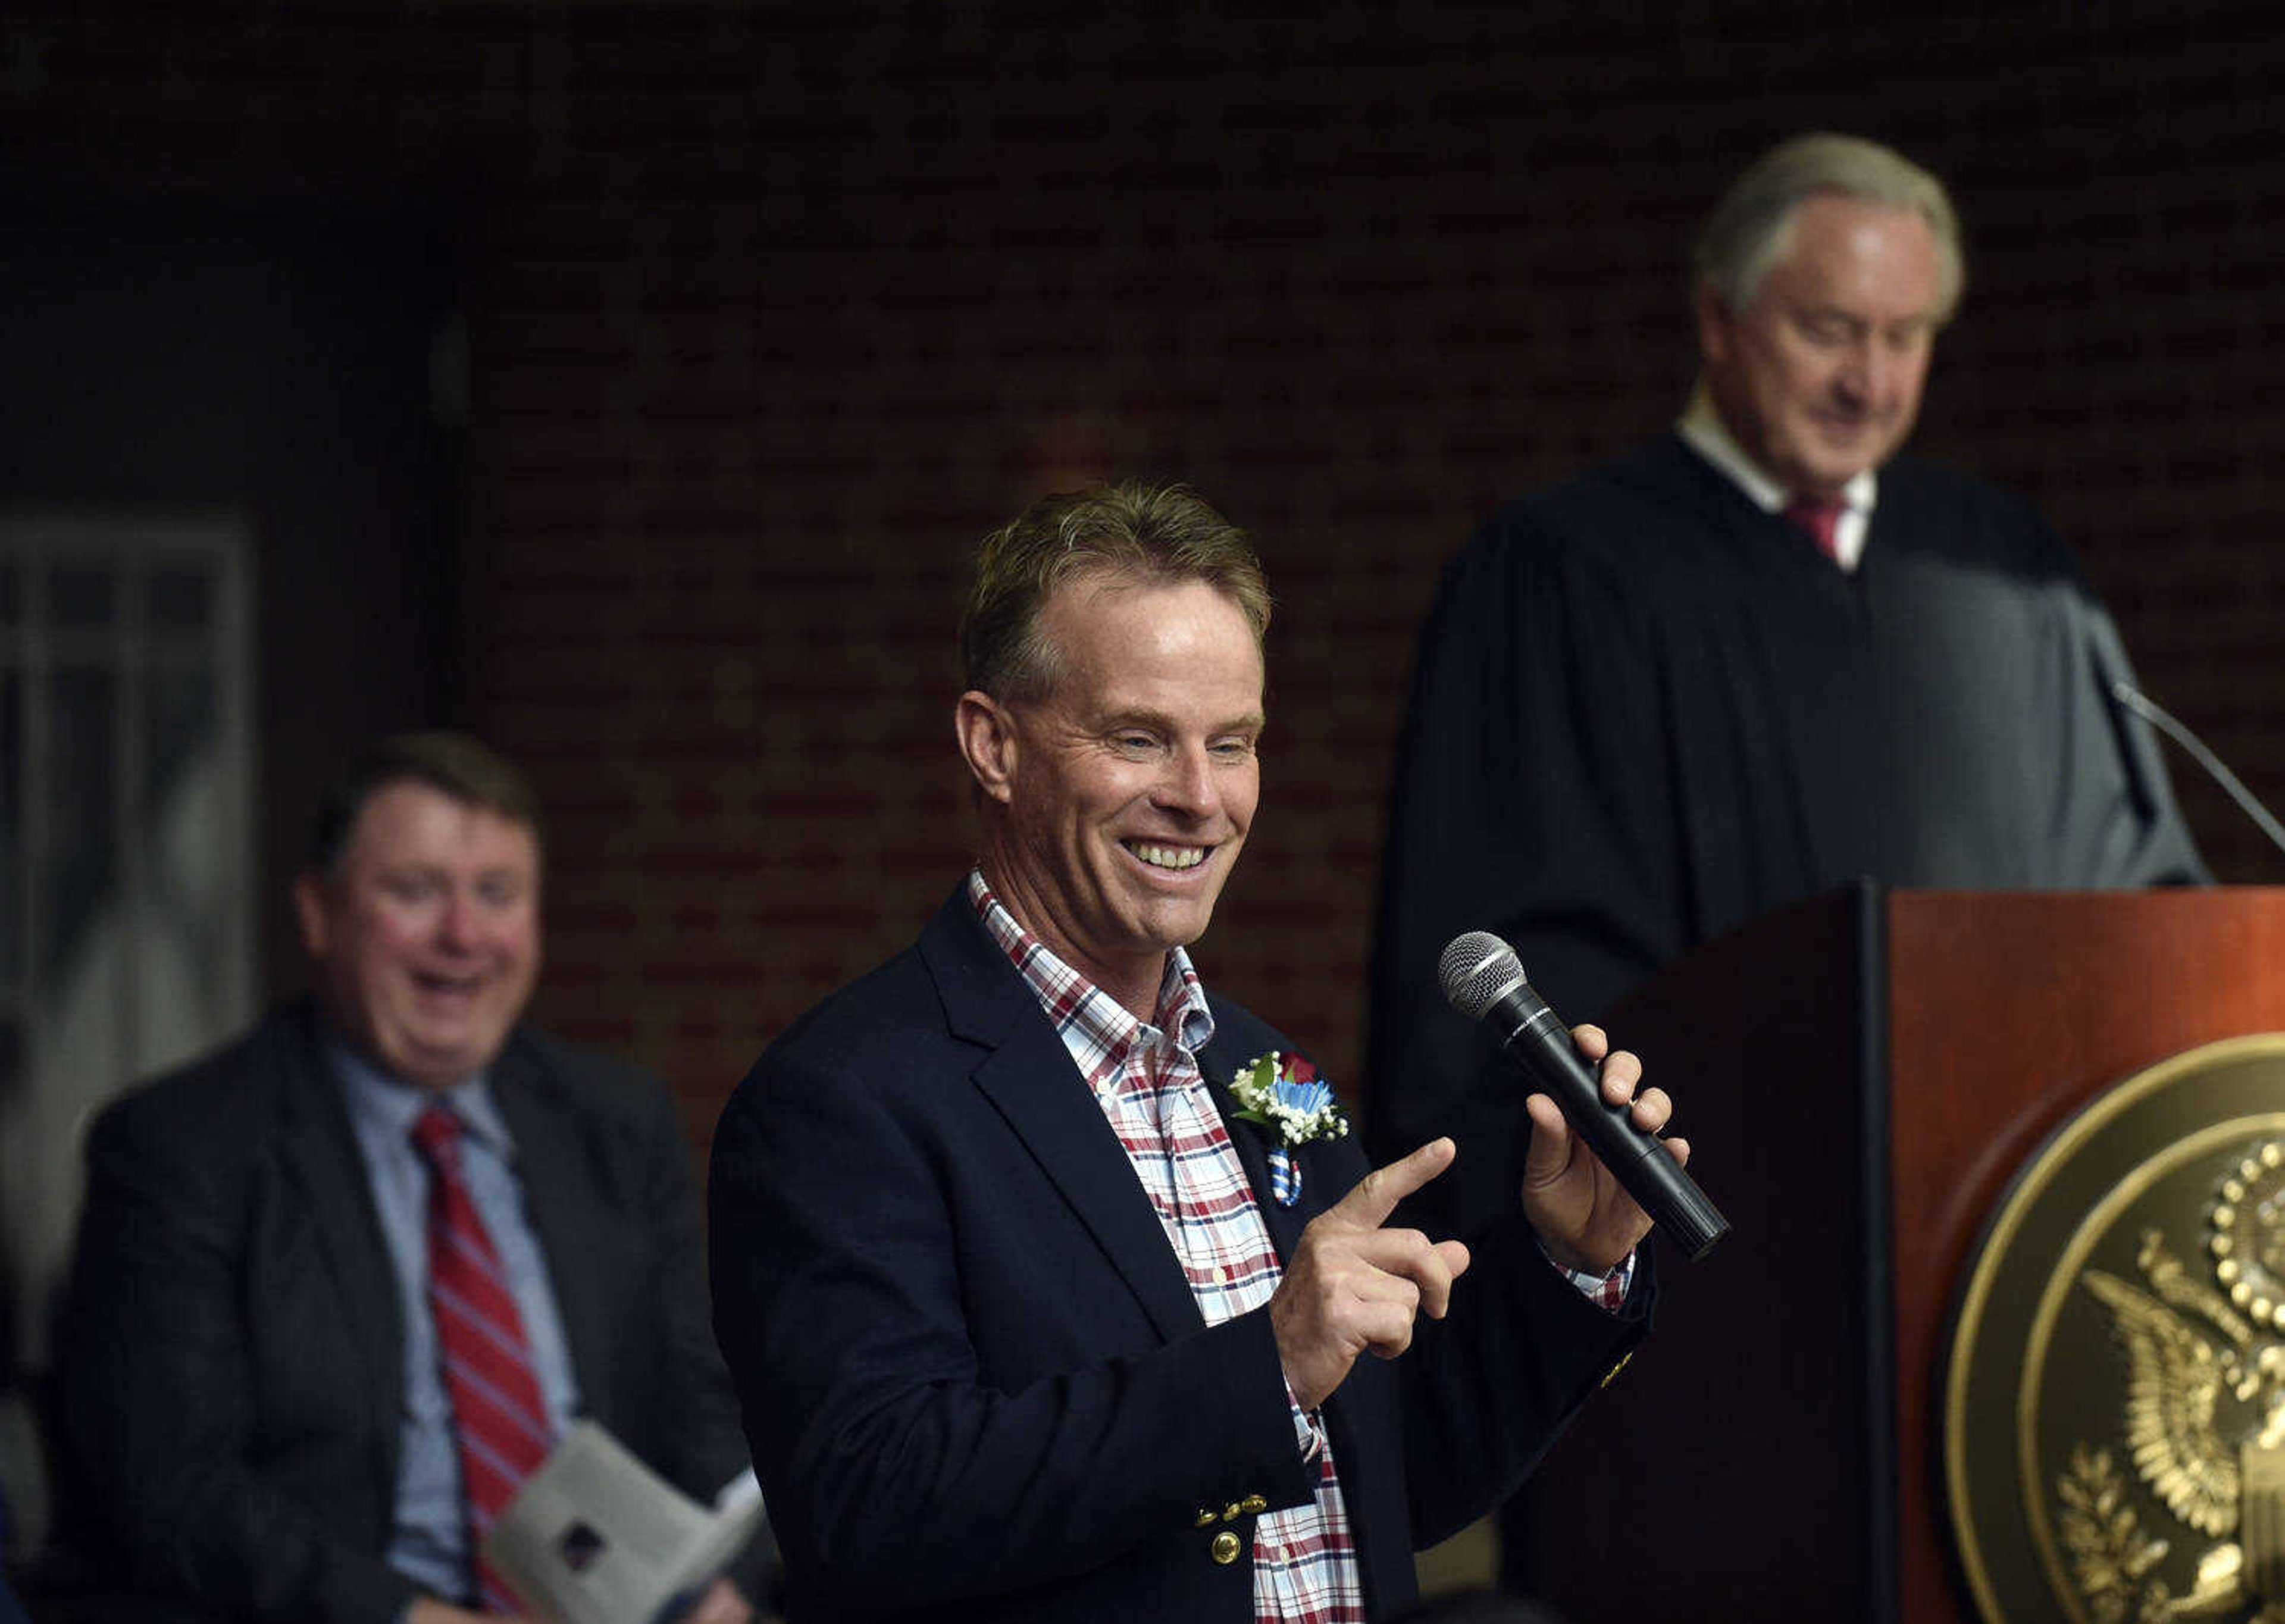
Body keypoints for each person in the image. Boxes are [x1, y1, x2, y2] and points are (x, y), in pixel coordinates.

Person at [708, 481, 1686, 1623]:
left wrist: (1566, 1264)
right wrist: (1264, 1371)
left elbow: (1377, 1483)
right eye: (1138, 739)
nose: (1200, 799)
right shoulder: (843, 1098)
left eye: (1234, 743)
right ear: (992, 746)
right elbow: (868, 1506)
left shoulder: (1271, 1076)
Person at [1366, 132, 2205, 1243]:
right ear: (1720, 319)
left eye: (1906, 337)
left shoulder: (2010, 570)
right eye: (1830, 332)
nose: (1871, 381)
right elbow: (1512, 953)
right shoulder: (1563, 575)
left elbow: (2135, 894)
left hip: (2011, 1220)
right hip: (1721, 1235)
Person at [51, 733, 768, 1624]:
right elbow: (173, 1488)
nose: (464, 934)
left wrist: (732, 1584)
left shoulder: (614, 1122)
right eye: (415, 889)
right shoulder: (182, 1147)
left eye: (497, 893)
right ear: (320, 912)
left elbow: (696, 1408)